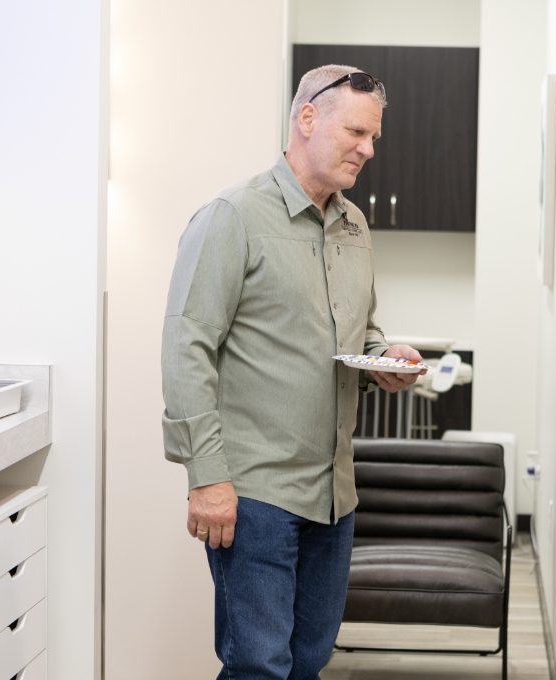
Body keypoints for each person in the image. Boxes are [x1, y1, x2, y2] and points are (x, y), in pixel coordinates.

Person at [160, 64, 424, 680]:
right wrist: (206, 477)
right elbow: (185, 346)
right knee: (259, 665)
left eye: (374, 138)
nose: (368, 149)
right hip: (255, 493)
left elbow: (362, 333)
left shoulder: (355, 226)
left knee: (307, 661)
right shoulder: (233, 216)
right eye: (356, 132)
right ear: (307, 118)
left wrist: (387, 360)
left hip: (333, 494)